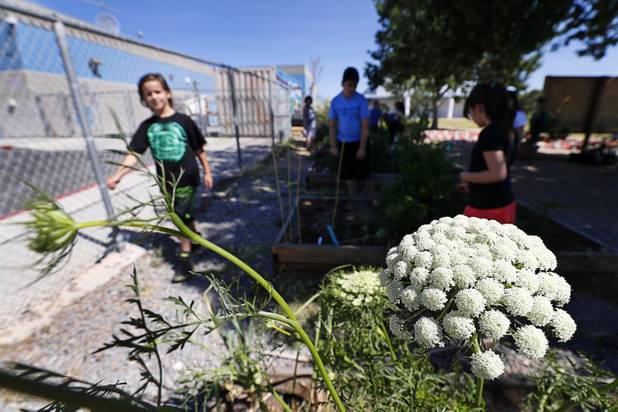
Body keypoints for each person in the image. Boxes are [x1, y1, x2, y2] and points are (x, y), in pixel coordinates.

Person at [106, 73, 214, 281]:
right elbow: (134, 153)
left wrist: (208, 172)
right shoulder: (147, 126)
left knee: (181, 218)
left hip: (187, 178)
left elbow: (200, 149)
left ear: (167, 93)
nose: (154, 97)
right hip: (166, 180)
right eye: (149, 94)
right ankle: (197, 241)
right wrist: (118, 174)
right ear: (144, 99)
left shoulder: (184, 121)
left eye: (157, 92)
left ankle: (185, 261)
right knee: (184, 214)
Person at [459, 81, 516, 224]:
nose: (471, 117)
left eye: (470, 112)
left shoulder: (490, 133)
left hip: (489, 209)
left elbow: (497, 173)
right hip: (501, 202)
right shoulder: (504, 128)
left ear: (479, 107)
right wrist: (472, 183)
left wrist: (464, 175)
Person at [328, 67, 370, 193]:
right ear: (343, 83)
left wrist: (362, 148)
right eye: (349, 85)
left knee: (363, 174)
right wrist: (333, 146)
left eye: (355, 86)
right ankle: (353, 199)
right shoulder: (335, 102)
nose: (352, 89)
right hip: (343, 143)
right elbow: (332, 126)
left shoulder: (361, 100)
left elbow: (365, 126)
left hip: (358, 142)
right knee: (347, 175)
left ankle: (364, 202)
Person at [508, 90, 527, 166]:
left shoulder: (519, 114)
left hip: (510, 146)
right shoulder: (503, 113)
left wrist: (516, 149)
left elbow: (520, 133)